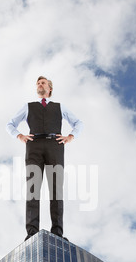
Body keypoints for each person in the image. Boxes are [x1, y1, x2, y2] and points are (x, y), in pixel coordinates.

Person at [6, 76, 83, 241]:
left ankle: (57, 233)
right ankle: (32, 232)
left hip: (55, 145)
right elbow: (10, 124)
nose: (39, 85)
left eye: (43, 83)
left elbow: (78, 123)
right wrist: (19, 135)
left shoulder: (60, 107)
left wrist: (70, 136)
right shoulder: (28, 107)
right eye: (38, 84)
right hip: (33, 145)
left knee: (56, 189)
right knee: (33, 188)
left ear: (50, 88)